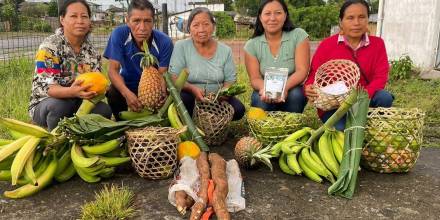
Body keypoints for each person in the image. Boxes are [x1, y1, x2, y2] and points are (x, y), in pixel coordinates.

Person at [304, 0, 394, 131]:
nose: (356, 23)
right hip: (335, 106)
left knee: (384, 97)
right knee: (343, 133)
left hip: (365, 101)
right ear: (341, 22)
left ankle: (373, 128)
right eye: (350, 18)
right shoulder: (327, 45)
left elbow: (380, 78)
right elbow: (313, 75)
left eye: (362, 17)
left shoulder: (377, 44)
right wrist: (309, 87)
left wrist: (359, 98)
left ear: (368, 19)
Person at [29, 0, 111, 131]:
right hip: (47, 102)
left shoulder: (91, 51)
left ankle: (80, 138)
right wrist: (72, 92)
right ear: (62, 19)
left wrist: (103, 88)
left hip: (78, 101)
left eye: (84, 16)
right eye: (73, 16)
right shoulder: (50, 46)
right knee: (60, 107)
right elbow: (47, 87)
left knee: (103, 110)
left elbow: (96, 80)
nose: (80, 21)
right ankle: (55, 141)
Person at [168, 7, 245, 121]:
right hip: (191, 97)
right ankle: (194, 123)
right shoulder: (181, 46)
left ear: (213, 27)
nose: (201, 29)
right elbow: (174, 77)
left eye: (206, 24)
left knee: (238, 109)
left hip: (218, 99)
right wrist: (192, 89)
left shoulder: (225, 50)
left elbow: (230, 80)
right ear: (189, 28)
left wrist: (222, 94)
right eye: (196, 25)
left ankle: (211, 122)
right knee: (183, 101)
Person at [104, 0, 173, 120]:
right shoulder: (119, 34)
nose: (142, 28)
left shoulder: (164, 41)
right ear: (127, 21)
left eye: (147, 21)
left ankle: (155, 121)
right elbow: (113, 70)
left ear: (153, 22)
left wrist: (162, 93)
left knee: (166, 99)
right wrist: (126, 93)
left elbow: (162, 74)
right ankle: (122, 126)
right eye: (136, 21)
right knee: (113, 92)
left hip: (153, 86)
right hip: (128, 84)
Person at [244, 0, 310, 113]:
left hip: (292, 87)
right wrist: (264, 89)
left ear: (285, 15)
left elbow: (302, 71)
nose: (273, 18)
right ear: (260, 17)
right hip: (265, 89)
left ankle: (291, 127)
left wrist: (284, 89)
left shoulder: (299, 35)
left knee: (296, 95)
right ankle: (263, 128)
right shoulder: (251, 45)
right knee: (259, 100)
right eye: (267, 13)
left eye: (278, 13)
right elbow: (255, 78)